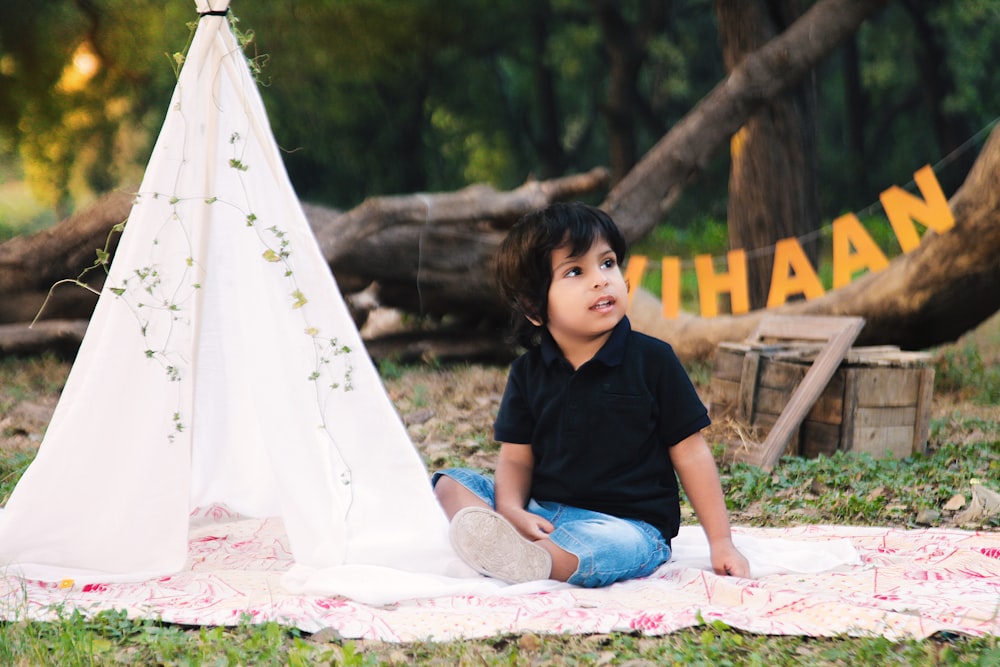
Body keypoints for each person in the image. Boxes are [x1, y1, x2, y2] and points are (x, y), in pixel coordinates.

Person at [433, 202, 750, 587]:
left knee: (608, 548)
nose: (600, 280)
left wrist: (721, 543)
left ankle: (532, 560)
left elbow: (691, 453)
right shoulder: (527, 372)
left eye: (608, 263)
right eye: (575, 271)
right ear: (534, 307)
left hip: (628, 525)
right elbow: (516, 459)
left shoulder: (653, 360)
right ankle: (513, 543)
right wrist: (513, 509)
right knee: (449, 483)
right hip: (542, 511)